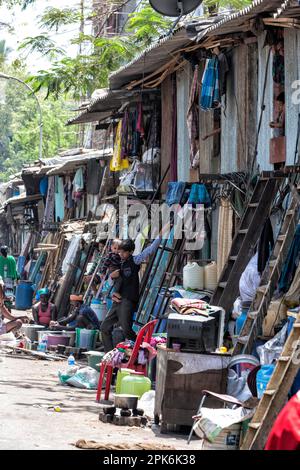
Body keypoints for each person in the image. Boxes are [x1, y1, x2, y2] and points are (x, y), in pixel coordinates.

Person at [101, 229, 165, 353]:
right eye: (120, 252)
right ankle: (109, 356)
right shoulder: (117, 261)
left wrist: (160, 236)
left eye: (124, 253)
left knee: (127, 330)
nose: (121, 255)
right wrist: (111, 277)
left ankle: (142, 350)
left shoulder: (134, 261)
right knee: (104, 327)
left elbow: (150, 250)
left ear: (130, 252)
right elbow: (108, 283)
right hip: (116, 301)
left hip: (127, 300)